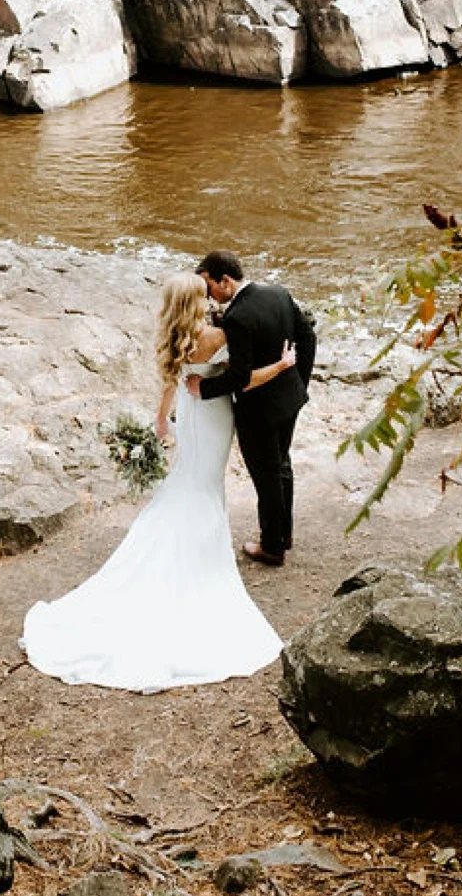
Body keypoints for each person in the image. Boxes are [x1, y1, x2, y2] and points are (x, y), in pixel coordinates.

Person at [21, 273, 292, 692]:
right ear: (198, 301)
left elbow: (170, 382)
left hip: (189, 417)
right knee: (204, 486)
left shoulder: (174, 335)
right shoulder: (216, 336)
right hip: (215, 416)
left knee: (189, 477)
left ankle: (177, 540)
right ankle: (198, 557)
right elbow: (244, 378)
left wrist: (162, 419)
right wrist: (282, 364)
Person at [188, 250, 315, 567]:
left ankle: (272, 547)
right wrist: (300, 382)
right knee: (282, 466)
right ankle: (283, 533)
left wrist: (203, 388)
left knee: (266, 475)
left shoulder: (238, 317)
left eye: (209, 287)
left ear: (225, 280)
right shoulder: (278, 292)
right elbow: (308, 337)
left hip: (259, 411)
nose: (209, 295)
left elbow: (239, 377)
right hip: (290, 400)